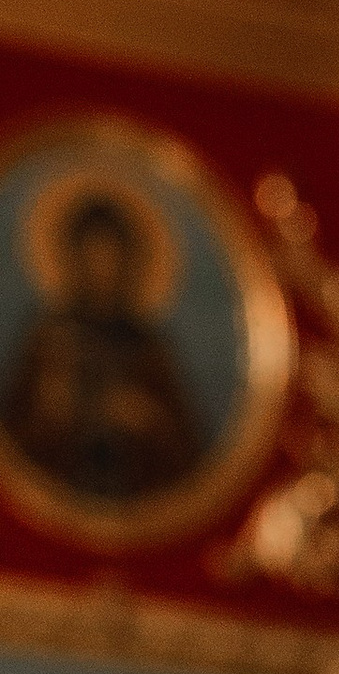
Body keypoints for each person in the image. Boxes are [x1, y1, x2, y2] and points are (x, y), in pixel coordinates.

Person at [1, 188, 202, 504]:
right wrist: (53, 413)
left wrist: (145, 419)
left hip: (132, 500)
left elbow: (188, 456)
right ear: (74, 258)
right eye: (92, 254)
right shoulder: (48, 340)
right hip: (59, 499)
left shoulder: (148, 347)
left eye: (110, 254)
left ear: (128, 260)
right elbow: (13, 446)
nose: (101, 267)